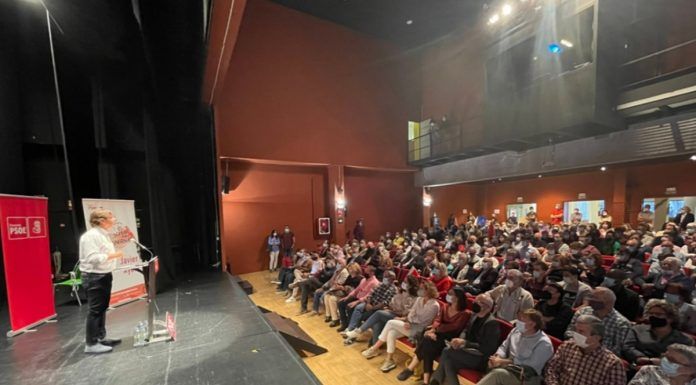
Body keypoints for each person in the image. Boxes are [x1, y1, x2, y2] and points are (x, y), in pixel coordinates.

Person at [360, 281, 440, 373]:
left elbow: (424, 321)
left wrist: (410, 322)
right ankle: (389, 360)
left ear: (428, 290)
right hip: (410, 325)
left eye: (422, 289)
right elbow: (411, 313)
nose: (419, 290)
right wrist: (409, 321)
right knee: (391, 333)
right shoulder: (419, 299)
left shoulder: (434, 305)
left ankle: (374, 348)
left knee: (390, 322)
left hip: (420, 330)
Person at [395, 287, 469, 383]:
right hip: (437, 334)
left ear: (458, 297)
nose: (448, 295)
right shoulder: (445, 307)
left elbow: (454, 327)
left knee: (427, 343)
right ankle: (425, 380)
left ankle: (411, 369)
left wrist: (436, 329)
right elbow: (437, 320)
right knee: (427, 342)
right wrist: (433, 330)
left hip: (449, 339)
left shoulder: (465, 313)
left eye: (451, 294)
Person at [428, 293, 500, 385]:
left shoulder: (492, 324)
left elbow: (488, 348)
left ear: (488, 307)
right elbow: (465, 330)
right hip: (466, 351)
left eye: (479, 302)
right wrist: (460, 340)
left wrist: (465, 343)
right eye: (475, 300)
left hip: (480, 358)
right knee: (449, 362)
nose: (475, 303)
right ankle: (435, 382)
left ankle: (434, 382)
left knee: (447, 351)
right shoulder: (474, 315)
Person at [79, 209, 124, 354]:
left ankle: (99, 337)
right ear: (101, 220)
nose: (114, 219)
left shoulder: (103, 234)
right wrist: (114, 255)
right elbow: (92, 258)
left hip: (103, 275)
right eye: (111, 217)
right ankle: (91, 344)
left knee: (102, 308)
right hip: (94, 277)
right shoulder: (91, 237)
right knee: (95, 310)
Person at [477, 309, 554, 385]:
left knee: (498, 374)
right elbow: (504, 347)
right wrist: (497, 357)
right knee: (490, 363)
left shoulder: (544, 343)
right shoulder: (515, 331)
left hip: (525, 377)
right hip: (507, 367)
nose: (518, 322)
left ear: (532, 324)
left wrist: (503, 362)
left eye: (522, 320)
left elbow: (530, 367)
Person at [544, 314, 626, 385]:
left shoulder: (612, 364)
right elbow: (551, 369)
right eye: (575, 330)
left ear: (596, 337)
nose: (575, 334)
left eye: (581, 332)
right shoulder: (567, 346)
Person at [349, 275, 418, 347]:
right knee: (377, 323)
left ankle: (359, 330)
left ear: (411, 285)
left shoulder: (413, 298)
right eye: (403, 281)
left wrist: (392, 310)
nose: (403, 283)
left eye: (406, 282)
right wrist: (389, 308)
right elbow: (391, 304)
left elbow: (404, 313)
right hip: (391, 312)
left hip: (400, 317)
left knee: (379, 313)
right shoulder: (399, 292)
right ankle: (374, 346)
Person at [623, 299, 693, 365]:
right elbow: (628, 347)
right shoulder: (637, 329)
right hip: (638, 365)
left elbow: (686, 359)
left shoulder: (685, 340)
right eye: (651, 314)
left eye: (658, 314)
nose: (653, 316)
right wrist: (642, 358)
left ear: (670, 318)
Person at [565, 287, 632, 356]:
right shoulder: (583, 311)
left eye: (595, 298)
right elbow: (569, 331)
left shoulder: (621, 324)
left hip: (601, 358)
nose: (590, 300)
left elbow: (617, 350)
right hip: (574, 350)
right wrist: (580, 343)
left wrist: (591, 348)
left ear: (608, 302)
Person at [337, 265, 379, 332]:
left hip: (364, 301)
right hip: (357, 297)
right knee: (341, 303)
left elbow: (368, 296)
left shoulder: (375, 283)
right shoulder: (363, 279)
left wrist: (356, 302)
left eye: (367, 271)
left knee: (350, 307)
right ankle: (344, 324)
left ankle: (351, 327)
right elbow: (356, 290)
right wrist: (347, 297)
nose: (364, 272)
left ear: (372, 273)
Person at [629, 343, 696, 385]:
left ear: (690, 369)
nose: (665, 361)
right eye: (665, 356)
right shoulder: (649, 371)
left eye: (672, 360)